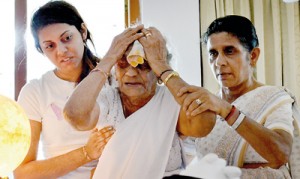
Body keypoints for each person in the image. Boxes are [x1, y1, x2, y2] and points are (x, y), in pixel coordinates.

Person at [63, 24, 216, 178]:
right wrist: (109, 58)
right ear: (115, 72)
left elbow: (203, 123)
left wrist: (162, 66)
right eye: (122, 64)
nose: (130, 73)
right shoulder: (109, 100)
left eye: (143, 65)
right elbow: (75, 115)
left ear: (158, 73)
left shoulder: (173, 101)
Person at [177, 15, 300, 178]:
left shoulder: (274, 97)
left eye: (229, 51)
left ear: (253, 56)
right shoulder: (205, 107)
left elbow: (280, 154)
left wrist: (228, 111)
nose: (219, 62)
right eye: (213, 53)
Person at [14, 1, 114, 179]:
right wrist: (86, 153)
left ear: (82, 32)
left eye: (66, 38)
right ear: (41, 50)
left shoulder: (114, 78)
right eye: (49, 46)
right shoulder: (35, 92)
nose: (61, 51)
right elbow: (23, 173)